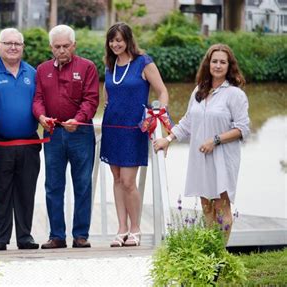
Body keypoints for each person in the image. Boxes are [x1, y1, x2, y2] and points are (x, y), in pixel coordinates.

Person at [153, 44, 250, 242]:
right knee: (206, 207)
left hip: (223, 159)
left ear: (229, 66)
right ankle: (209, 251)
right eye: (214, 61)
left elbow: (243, 129)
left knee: (222, 208)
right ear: (208, 64)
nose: (218, 65)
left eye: (223, 62)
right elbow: (188, 122)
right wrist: (169, 139)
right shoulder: (199, 91)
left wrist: (215, 140)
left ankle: (219, 254)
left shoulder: (235, 94)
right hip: (200, 157)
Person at [100, 22, 169, 247]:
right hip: (112, 128)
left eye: (119, 40)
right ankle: (121, 229)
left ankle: (135, 229)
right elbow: (107, 96)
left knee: (129, 181)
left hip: (134, 129)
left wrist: (159, 113)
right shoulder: (110, 66)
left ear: (128, 40)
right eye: (112, 40)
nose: (115, 44)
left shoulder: (143, 62)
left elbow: (162, 91)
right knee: (117, 179)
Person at [32, 24, 99, 249]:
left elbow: (91, 100)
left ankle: (80, 235)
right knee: (53, 185)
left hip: (80, 132)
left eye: (66, 46)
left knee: (82, 184)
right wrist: (41, 116)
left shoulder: (88, 67)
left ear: (74, 46)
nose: (62, 50)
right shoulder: (42, 70)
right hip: (53, 133)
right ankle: (57, 236)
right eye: (57, 46)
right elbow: (38, 99)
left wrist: (78, 119)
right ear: (51, 47)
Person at [0, 28, 40, 251]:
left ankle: (25, 237)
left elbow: (41, 103)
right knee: (1, 192)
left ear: (23, 47)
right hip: (0, 144)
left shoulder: (33, 73)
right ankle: (1, 238)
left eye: (17, 43)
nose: (13, 47)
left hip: (29, 143)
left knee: (26, 191)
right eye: (8, 43)